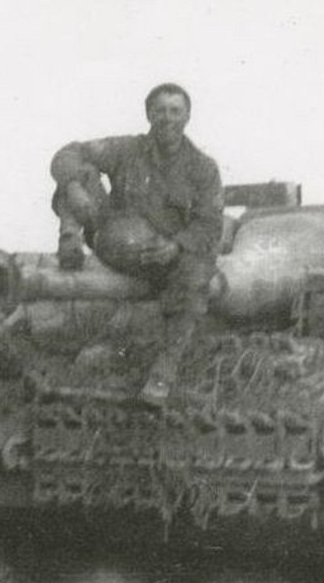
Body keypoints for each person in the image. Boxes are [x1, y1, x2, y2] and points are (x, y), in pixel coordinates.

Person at [49, 82, 224, 405]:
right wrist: (73, 187)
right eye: (160, 111)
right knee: (78, 173)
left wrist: (176, 246)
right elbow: (68, 153)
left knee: (198, 272)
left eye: (175, 111)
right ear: (148, 114)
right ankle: (69, 240)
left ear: (187, 117)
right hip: (111, 236)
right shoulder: (126, 150)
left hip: (163, 254)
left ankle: (162, 373)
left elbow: (210, 224)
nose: (167, 118)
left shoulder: (202, 168)